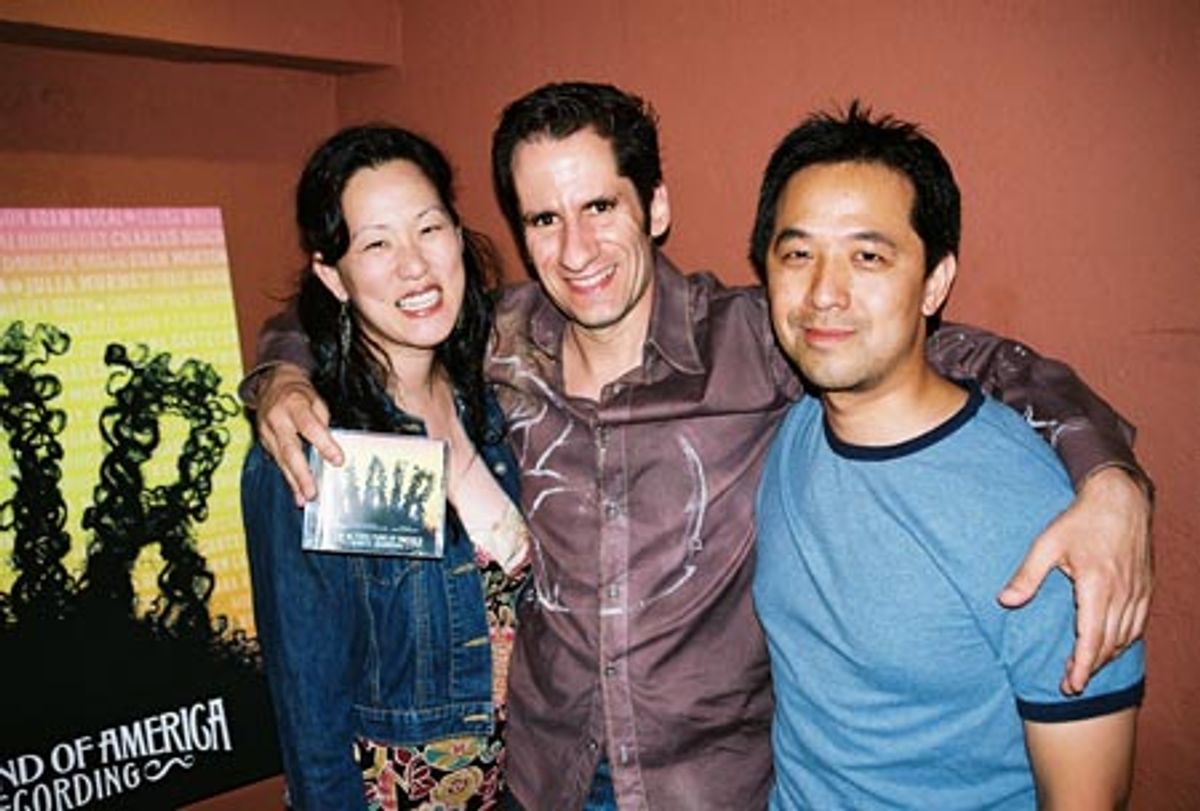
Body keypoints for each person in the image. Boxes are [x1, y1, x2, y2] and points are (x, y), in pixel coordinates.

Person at [243, 83, 1152, 810]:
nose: (578, 248)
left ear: (657, 205)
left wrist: (1109, 477)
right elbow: (364, 313)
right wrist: (279, 374)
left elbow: (974, 359)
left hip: (708, 788)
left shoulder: (766, 338)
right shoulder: (503, 342)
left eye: (601, 204)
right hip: (541, 780)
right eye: (545, 220)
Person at [751, 103, 1144, 809]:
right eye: (798, 253)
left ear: (935, 282)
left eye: (868, 256)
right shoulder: (790, 434)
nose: (823, 293)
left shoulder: (1045, 520)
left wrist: (1117, 479)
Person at [241, 124, 529, 810]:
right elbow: (308, 705)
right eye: (376, 243)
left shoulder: (493, 405)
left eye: (429, 228)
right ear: (330, 276)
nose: (414, 265)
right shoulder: (317, 447)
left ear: (459, 235)